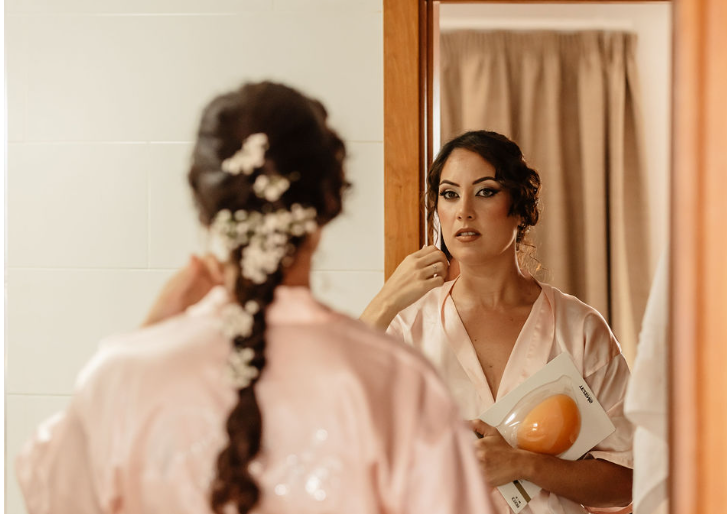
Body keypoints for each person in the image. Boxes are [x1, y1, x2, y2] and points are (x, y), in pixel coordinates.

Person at [15, 82, 496, 514]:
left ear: (203, 204)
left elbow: (49, 491)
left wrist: (151, 331)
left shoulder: (122, 375)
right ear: (330, 202)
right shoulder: (395, 379)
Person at [361, 130, 634, 514]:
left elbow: (625, 481)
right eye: (449, 194)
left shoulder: (581, 329)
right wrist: (383, 304)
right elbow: (335, 430)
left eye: (486, 191)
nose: (463, 211)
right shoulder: (408, 327)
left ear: (521, 208)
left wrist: (524, 464)